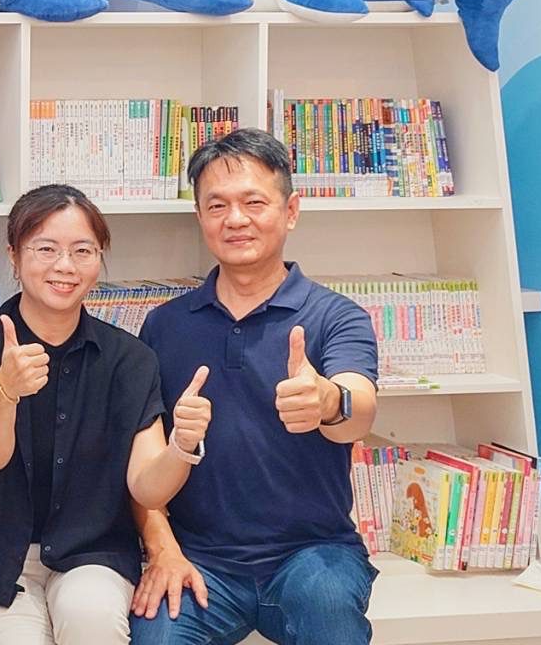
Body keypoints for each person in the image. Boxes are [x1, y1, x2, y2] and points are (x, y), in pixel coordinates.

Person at [130, 128, 380, 645]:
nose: (235, 219)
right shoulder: (164, 325)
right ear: (200, 217)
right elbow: (141, 469)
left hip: (314, 554)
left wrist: (328, 401)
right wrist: (163, 546)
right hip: (201, 560)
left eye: (254, 202)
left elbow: (359, 410)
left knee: (331, 614)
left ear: (291, 211)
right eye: (217, 206)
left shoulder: (337, 317)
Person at [0, 184, 213, 645]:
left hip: (93, 555)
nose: (65, 266)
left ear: (99, 257)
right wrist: (4, 390)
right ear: (14, 255)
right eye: (45, 249)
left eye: (82, 251)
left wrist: (182, 447)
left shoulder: (130, 359)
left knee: (93, 620)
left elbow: (146, 487)